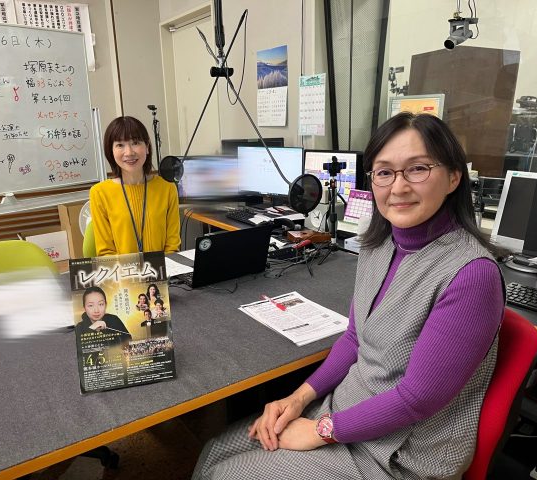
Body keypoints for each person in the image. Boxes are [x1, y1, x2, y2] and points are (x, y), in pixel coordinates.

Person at [192, 112, 505, 480]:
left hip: (399, 453)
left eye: (417, 169)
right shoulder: (377, 246)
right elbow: (355, 339)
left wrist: (319, 430)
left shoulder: (471, 275)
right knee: (215, 452)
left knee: (226, 475)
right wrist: (298, 399)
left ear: (453, 177)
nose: (398, 187)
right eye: (384, 172)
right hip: (345, 412)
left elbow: (417, 399)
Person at [89, 116, 180, 256]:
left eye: (136, 142)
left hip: (164, 268)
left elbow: (172, 247)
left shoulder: (167, 188)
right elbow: (106, 253)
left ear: (147, 147)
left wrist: (160, 268)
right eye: (120, 145)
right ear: (111, 151)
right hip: (122, 270)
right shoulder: (99, 193)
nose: (129, 152)